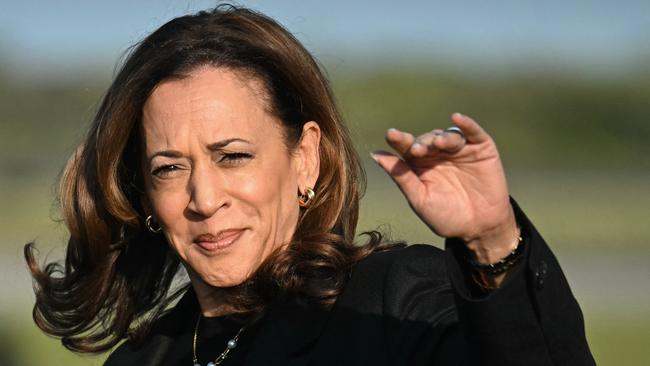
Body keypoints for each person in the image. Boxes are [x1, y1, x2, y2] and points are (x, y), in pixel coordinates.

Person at [24, 5, 595, 366]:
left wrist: (492, 243)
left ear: (304, 159)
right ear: (145, 195)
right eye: (169, 168)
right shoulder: (142, 358)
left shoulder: (394, 300)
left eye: (234, 156)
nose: (204, 199)